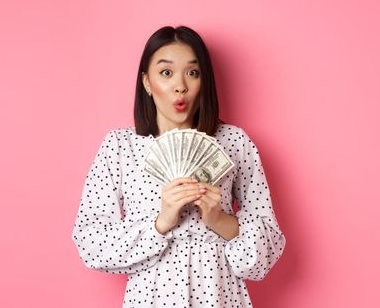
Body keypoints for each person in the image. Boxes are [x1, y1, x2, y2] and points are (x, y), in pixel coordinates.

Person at [71, 25, 286, 307]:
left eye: (193, 72)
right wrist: (160, 223)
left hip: (218, 295)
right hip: (151, 298)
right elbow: (90, 242)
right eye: (166, 72)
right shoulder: (119, 147)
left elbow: (267, 249)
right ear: (147, 82)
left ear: (203, 81)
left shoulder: (234, 142)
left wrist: (218, 220)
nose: (180, 85)